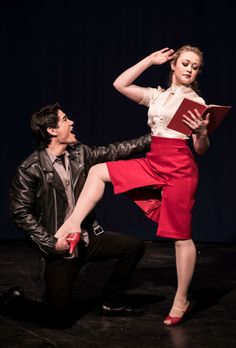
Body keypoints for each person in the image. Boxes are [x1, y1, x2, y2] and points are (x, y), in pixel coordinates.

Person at [55, 45, 210, 326]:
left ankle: (181, 299)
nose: (189, 69)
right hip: (155, 161)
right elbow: (120, 83)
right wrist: (150, 60)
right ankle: (73, 224)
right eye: (185, 63)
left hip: (180, 168)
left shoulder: (196, 102)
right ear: (174, 65)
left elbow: (200, 149)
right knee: (99, 171)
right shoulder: (157, 97)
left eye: (195, 66)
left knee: (180, 236)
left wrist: (201, 132)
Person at [8, 102, 151, 328]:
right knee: (58, 321)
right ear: (52, 130)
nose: (72, 122)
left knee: (133, 247)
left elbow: (116, 150)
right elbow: (20, 213)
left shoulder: (79, 154)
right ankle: (12, 302)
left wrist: (157, 137)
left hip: (86, 239)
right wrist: (52, 244)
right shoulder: (30, 169)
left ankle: (112, 303)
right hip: (60, 249)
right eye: (65, 119)